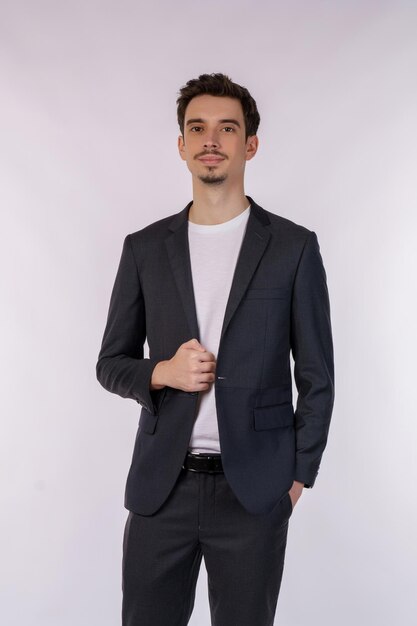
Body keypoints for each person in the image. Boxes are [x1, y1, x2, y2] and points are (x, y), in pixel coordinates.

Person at [96, 72, 335, 626]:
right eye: (197, 128)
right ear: (180, 145)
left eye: (227, 128)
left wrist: (296, 478)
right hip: (162, 489)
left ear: (250, 144)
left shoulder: (294, 248)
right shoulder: (144, 249)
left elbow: (318, 374)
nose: (211, 140)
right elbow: (111, 363)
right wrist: (163, 372)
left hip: (254, 493)